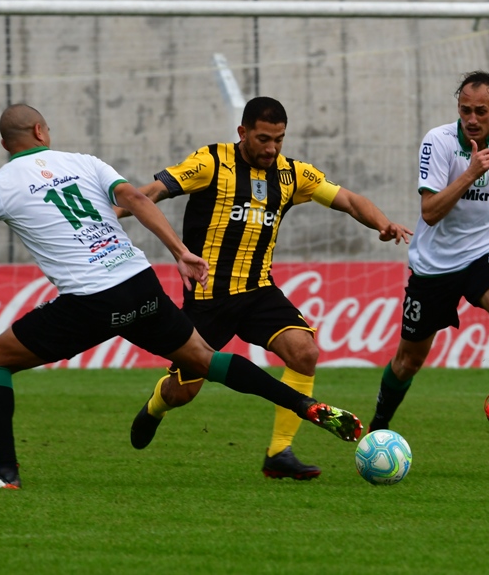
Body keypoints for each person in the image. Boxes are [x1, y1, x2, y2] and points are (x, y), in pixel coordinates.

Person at [0, 103, 362, 491]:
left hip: (89, 303)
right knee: (207, 361)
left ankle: (5, 474)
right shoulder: (83, 162)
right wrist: (180, 252)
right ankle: (306, 406)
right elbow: (139, 199)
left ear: (5, 144)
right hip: (139, 282)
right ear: (41, 131)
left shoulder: (1, 183)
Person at [119, 96, 412, 480]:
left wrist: (382, 223)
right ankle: (156, 406)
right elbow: (153, 192)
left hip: (258, 292)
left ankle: (279, 453)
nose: (272, 148)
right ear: (242, 132)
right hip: (208, 298)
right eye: (263, 139)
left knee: (304, 352)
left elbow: (349, 201)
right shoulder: (211, 162)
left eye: (279, 139)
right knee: (182, 392)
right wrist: (112, 213)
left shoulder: (292, 174)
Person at [367, 71, 489, 458]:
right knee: (408, 362)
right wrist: (470, 173)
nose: (471, 118)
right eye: (465, 110)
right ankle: (378, 428)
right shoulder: (438, 142)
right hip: (433, 266)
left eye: (480, 111)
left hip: (483, 253)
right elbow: (430, 212)